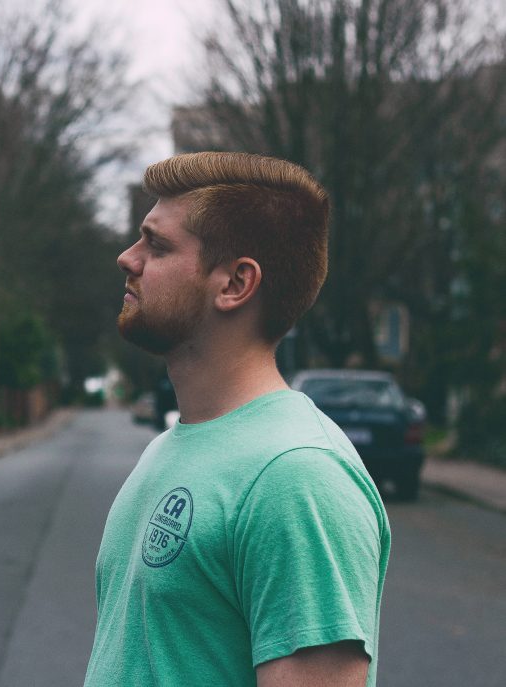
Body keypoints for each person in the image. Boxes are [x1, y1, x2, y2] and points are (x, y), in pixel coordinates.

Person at [83, 152, 390, 687]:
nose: (127, 258)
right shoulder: (170, 445)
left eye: (156, 245)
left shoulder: (296, 478)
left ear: (234, 284)